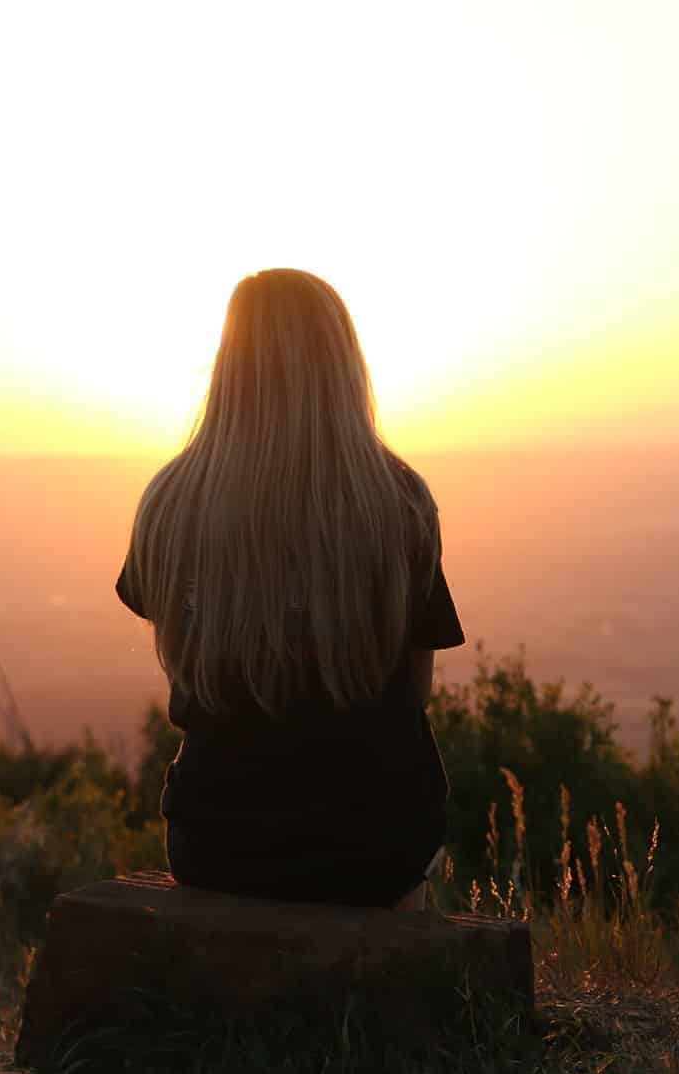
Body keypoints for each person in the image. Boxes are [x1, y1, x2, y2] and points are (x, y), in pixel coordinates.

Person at [115, 268, 464, 911]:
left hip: (218, 841)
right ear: (343, 366)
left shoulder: (169, 503)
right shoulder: (399, 502)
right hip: (375, 844)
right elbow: (413, 695)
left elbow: (185, 662)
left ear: (228, 364)